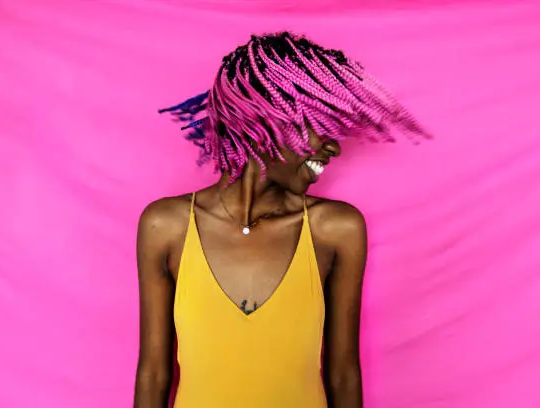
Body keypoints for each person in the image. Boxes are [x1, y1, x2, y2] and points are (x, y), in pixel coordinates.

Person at [134, 31, 428, 408]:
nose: (334, 145)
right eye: (321, 125)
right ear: (264, 123)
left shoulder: (336, 230)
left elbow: (342, 373)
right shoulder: (166, 225)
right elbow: (154, 373)